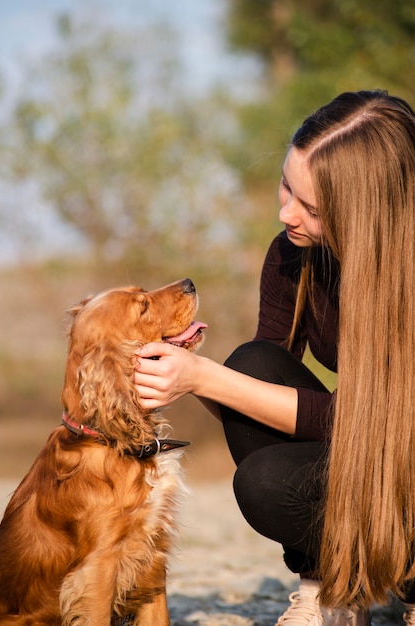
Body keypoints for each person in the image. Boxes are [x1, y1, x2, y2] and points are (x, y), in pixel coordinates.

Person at [134, 90, 415, 626]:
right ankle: (329, 587)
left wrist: (205, 378)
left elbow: (370, 422)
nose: (286, 212)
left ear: (369, 213)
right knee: (254, 371)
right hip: (366, 458)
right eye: (287, 184)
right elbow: (256, 394)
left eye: (312, 207)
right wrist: (194, 378)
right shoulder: (293, 253)